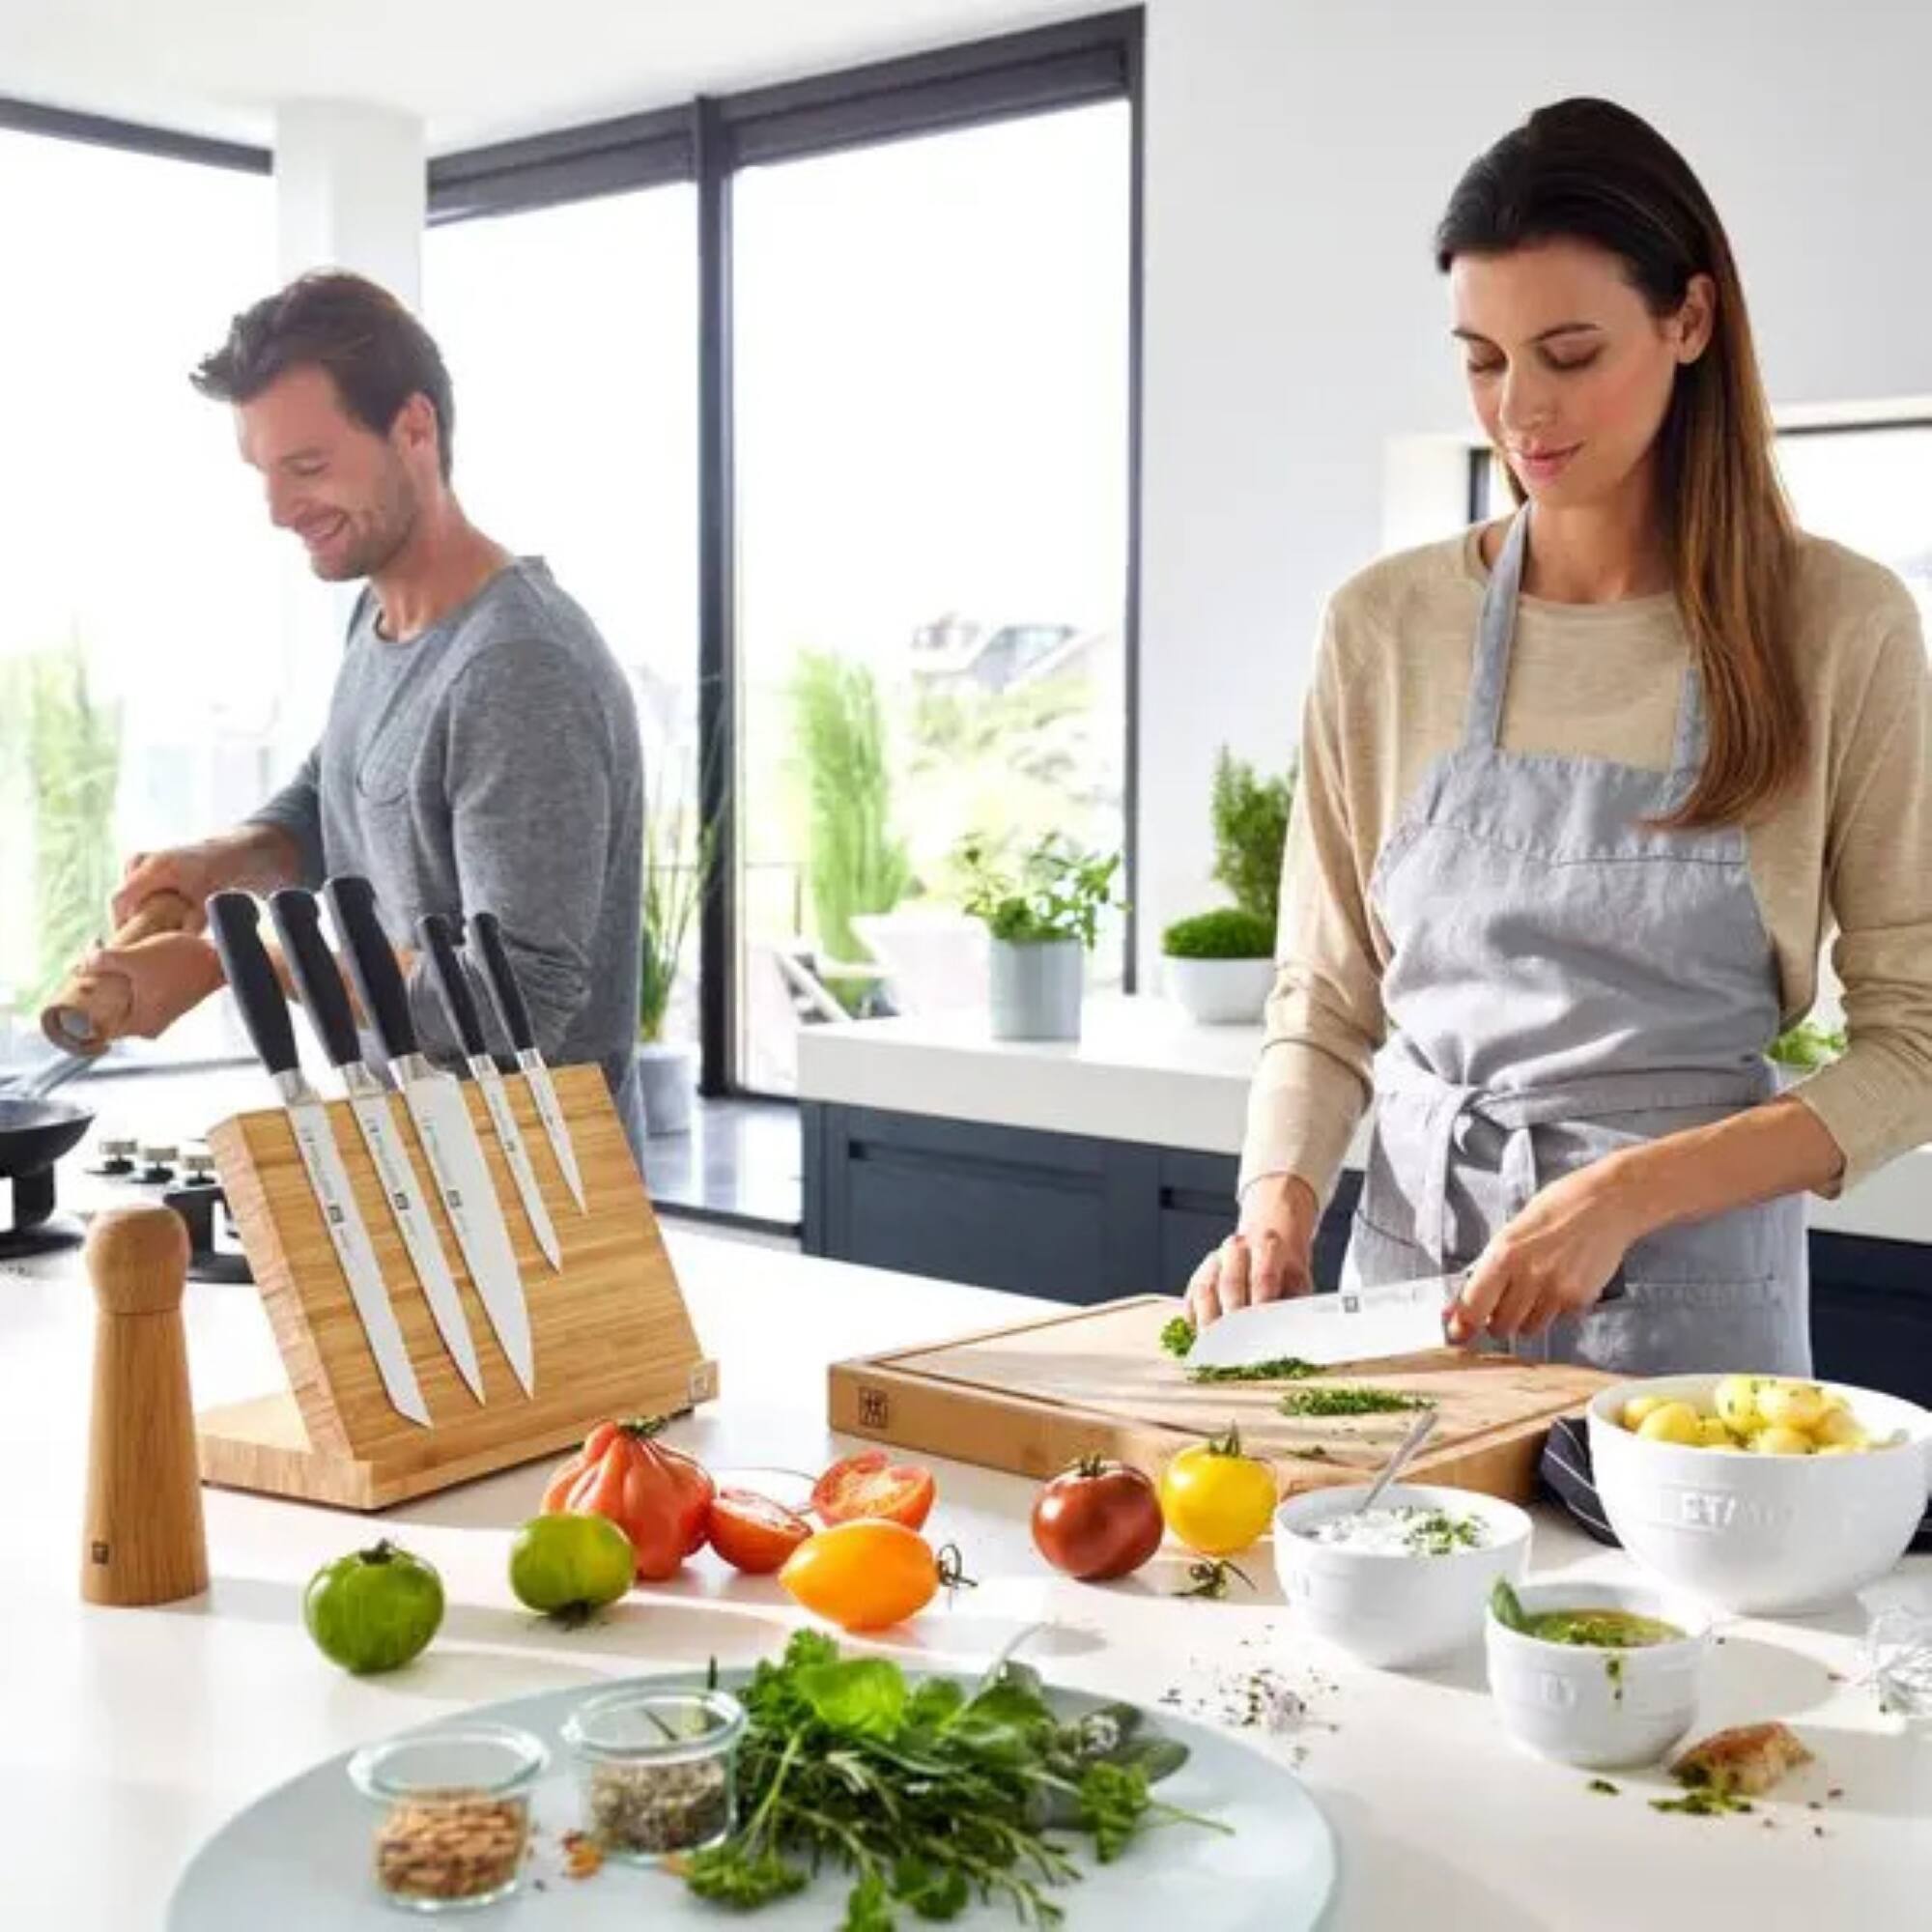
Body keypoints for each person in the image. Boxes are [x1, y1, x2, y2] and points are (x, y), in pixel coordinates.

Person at [1186, 98, 1932, 1375]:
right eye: (1482, 358)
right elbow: (1323, 1000)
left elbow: (1917, 1037)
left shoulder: (1838, 624)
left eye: (1571, 352)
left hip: (1693, 1330)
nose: (1519, 410)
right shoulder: (1384, 626)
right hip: (1408, 1301)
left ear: (1689, 320)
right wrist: (1278, 1200)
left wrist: (1631, 1191)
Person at [94, 271, 648, 1150]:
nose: (279, 510)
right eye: (264, 473)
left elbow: (521, 1003)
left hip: (545, 1204)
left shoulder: (515, 668)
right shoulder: (382, 615)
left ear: (415, 429)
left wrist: (232, 966)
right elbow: (345, 786)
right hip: (423, 1170)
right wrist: (220, 861)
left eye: (307, 467)